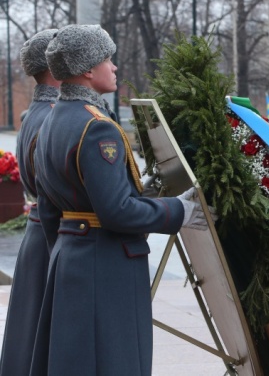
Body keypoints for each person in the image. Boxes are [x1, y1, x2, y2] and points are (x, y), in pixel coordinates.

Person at [30, 24, 210, 376]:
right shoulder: (97, 127)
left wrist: (66, 253)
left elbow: (50, 206)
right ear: (87, 69)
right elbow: (116, 212)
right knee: (115, 361)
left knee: (77, 363)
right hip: (106, 264)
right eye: (107, 59)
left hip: (71, 258)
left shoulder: (51, 119)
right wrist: (179, 211)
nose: (113, 67)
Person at [0, 29, 60, 376]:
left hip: (38, 233)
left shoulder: (34, 112)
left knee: (29, 339)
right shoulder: (51, 116)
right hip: (51, 235)